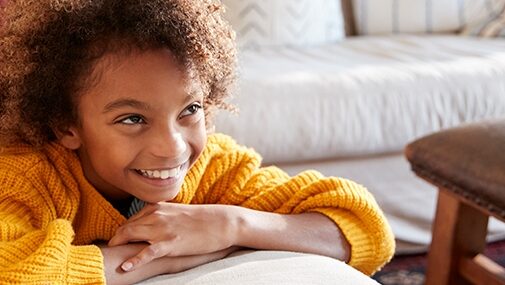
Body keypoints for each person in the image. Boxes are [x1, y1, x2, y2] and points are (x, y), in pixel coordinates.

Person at [0, 0, 395, 284]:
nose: (172, 148)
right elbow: (13, 271)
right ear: (67, 126)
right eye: (133, 119)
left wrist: (228, 224)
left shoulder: (213, 168)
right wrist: (166, 259)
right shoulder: (24, 175)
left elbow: (366, 229)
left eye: (189, 110)